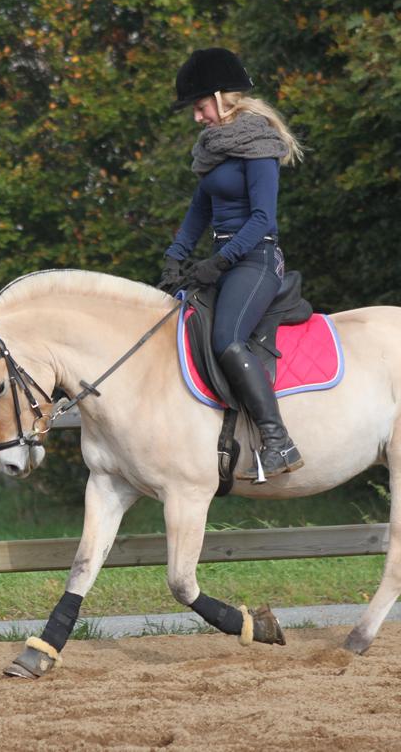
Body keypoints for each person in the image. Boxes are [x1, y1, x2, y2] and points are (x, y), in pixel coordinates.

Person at [158, 47, 304, 479]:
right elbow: (198, 212)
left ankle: (278, 441)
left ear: (222, 98)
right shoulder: (214, 148)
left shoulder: (257, 143)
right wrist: (174, 258)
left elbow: (263, 220)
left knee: (226, 339)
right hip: (225, 258)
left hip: (256, 259)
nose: (197, 118)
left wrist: (219, 262)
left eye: (200, 107)